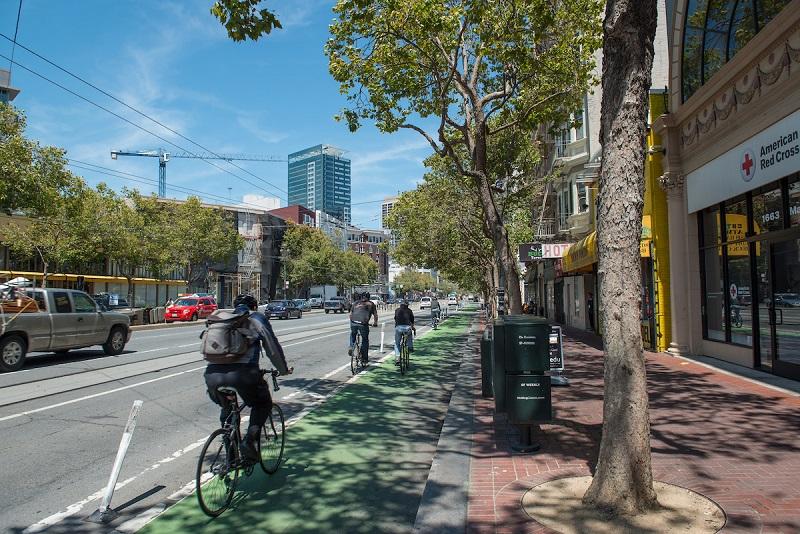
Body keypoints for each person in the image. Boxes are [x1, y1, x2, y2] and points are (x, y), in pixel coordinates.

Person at [203, 294, 293, 463]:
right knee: (262, 403)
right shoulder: (256, 318)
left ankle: (231, 457)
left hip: (212, 375)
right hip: (243, 374)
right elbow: (272, 348)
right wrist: (283, 370)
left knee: (227, 409)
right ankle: (249, 442)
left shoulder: (222, 319)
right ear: (254, 307)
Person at [349, 292, 378, 365]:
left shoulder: (355, 303)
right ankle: (364, 359)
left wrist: (353, 321)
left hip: (353, 322)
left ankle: (351, 347)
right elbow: (375, 315)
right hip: (363, 323)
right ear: (369, 297)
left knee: (353, 334)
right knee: (365, 340)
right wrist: (375, 323)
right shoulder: (371, 304)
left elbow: (350, 314)